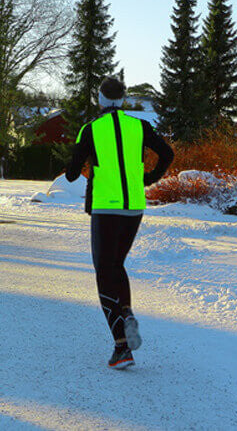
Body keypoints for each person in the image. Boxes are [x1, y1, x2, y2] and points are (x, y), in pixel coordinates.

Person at [66, 77, 173, 369]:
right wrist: (148, 178)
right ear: (123, 100)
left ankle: (121, 346)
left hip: (105, 208)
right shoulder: (140, 126)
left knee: (104, 270)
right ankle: (125, 312)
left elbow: (72, 174)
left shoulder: (90, 130)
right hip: (134, 207)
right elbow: (167, 154)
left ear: (100, 101)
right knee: (117, 265)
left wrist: (81, 159)